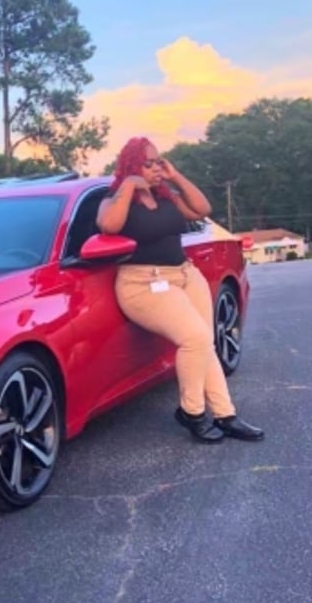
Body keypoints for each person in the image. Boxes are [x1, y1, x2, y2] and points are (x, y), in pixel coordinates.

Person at [96, 136, 263, 444]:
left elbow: (202, 208)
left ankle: (225, 414)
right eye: (148, 164)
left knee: (205, 343)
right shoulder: (114, 198)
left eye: (159, 162)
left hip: (186, 274)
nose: (156, 169)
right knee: (196, 339)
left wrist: (175, 176)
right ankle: (192, 412)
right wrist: (130, 186)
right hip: (144, 283)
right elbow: (109, 225)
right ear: (132, 166)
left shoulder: (166, 197)